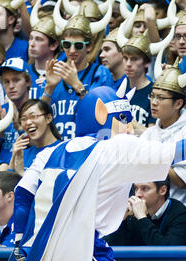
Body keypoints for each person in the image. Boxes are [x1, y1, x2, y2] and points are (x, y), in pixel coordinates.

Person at [0, 84, 186, 261]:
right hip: (81, 246)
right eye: (124, 119)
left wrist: (18, 241)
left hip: (37, 251)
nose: (130, 127)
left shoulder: (51, 151)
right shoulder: (115, 146)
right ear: (102, 116)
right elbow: (174, 152)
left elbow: (23, 194)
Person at [140, 52, 186, 217]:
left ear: (179, 103)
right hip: (151, 213)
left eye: (160, 98)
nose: (153, 102)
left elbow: (183, 181)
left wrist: (154, 156)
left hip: (181, 214)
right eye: (152, 96)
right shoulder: (150, 133)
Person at [43, 7, 113, 140]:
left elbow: (104, 116)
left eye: (79, 45)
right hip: (57, 149)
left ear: (89, 46)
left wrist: (77, 85)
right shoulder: (55, 71)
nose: (72, 50)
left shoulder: (100, 73)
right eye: (67, 44)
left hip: (86, 148)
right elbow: (40, 115)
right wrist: (49, 88)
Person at [104, 178, 186, 245]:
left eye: (145, 188)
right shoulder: (132, 215)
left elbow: (167, 253)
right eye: (136, 188)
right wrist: (122, 221)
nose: (137, 194)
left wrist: (142, 217)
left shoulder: (181, 215)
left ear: (162, 190)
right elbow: (113, 249)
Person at [0, 57, 32, 163]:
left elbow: (42, 146)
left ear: (28, 82)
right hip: (1, 172)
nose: (11, 86)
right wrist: (0, 134)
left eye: (16, 80)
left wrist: (20, 128)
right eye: (6, 82)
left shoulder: (37, 111)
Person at [9, 99, 62, 175]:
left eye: (33, 116)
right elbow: (6, 186)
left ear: (48, 118)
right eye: (23, 119)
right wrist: (13, 160)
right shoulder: (22, 154)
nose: (28, 122)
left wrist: (21, 173)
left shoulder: (62, 151)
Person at [27, 15, 60, 100]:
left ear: (53, 45)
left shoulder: (63, 75)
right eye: (31, 38)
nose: (32, 44)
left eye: (38, 39)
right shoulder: (23, 72)